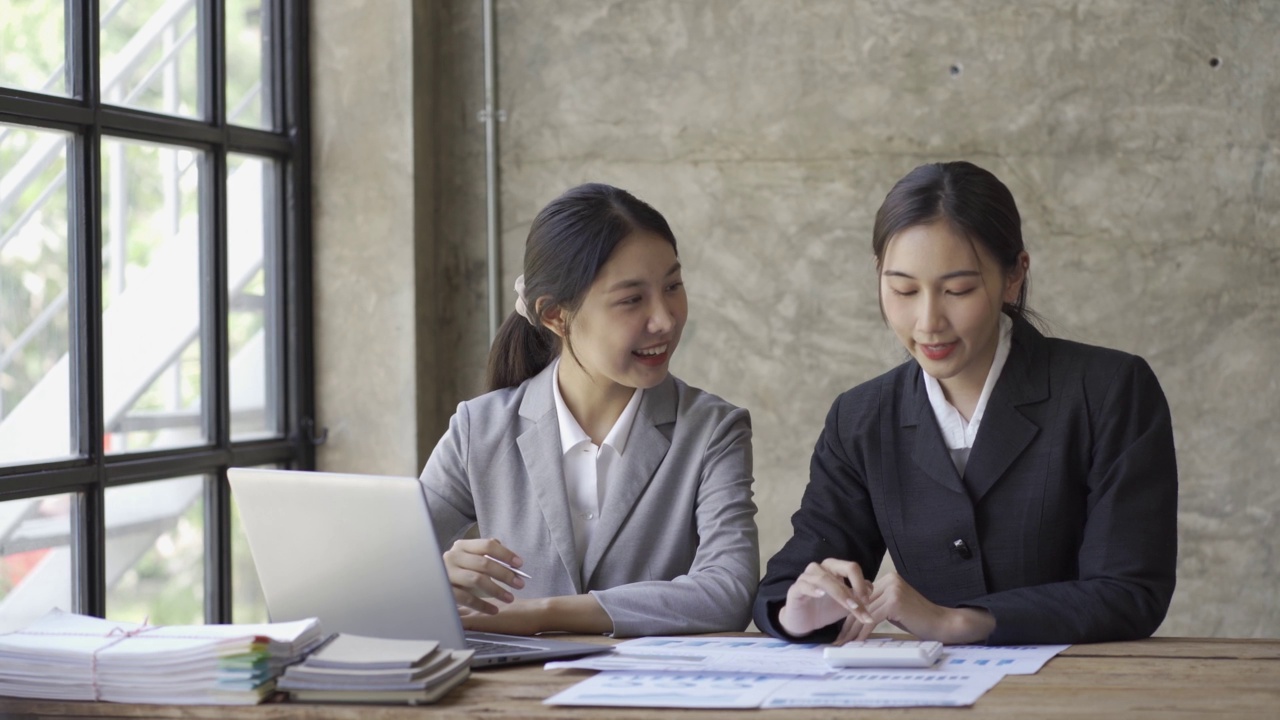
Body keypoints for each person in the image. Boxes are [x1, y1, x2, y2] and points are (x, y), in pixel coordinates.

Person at [753, 161, 1177, 646]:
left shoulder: (1108, 391)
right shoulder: (861, 418)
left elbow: (1129, 592)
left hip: (1077, 688)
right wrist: (801, 614)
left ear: (1014, 276)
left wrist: (956, 621)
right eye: (903, 290)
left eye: (958, 290)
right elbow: (791, 580)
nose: (928, 321)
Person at [420, 183, 759, 638]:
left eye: (673, 286)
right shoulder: (476, 430)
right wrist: (436, 575)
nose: (666, 319)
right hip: (512, 700)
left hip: (652, 700)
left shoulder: (712, 429)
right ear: (556, 316)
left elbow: (727, 592)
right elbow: (380, 574)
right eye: (631, 299)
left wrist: (541, 613)